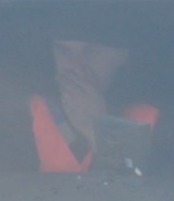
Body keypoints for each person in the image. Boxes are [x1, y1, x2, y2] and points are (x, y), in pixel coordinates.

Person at [30, 30, 159, 174]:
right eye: (64, 52)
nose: (76, 68)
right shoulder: (25, 110)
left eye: (92, 52)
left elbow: (139, 189)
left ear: (122, 54)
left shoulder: (156, 120)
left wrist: (96, 129)